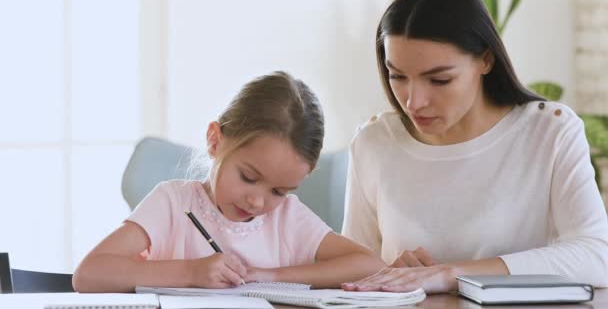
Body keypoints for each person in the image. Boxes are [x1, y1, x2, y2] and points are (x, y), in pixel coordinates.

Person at [341, 0, 608, 294]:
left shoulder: (550, 132)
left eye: (439, 80)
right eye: (397, 76)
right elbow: (353, 268)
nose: (413, 102)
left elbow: (597, 256)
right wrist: (386, 271)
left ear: (485, 59)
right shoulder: (374, 142)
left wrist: (450, 274)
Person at [72, 71, 385, 292]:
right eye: (249, 177)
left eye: (279, 191)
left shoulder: (287, 216)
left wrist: (270, 277)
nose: (258, 202)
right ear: (214, 141)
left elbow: (368, 264)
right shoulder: (172, 203)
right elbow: (89, 274)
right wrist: (191, 272)